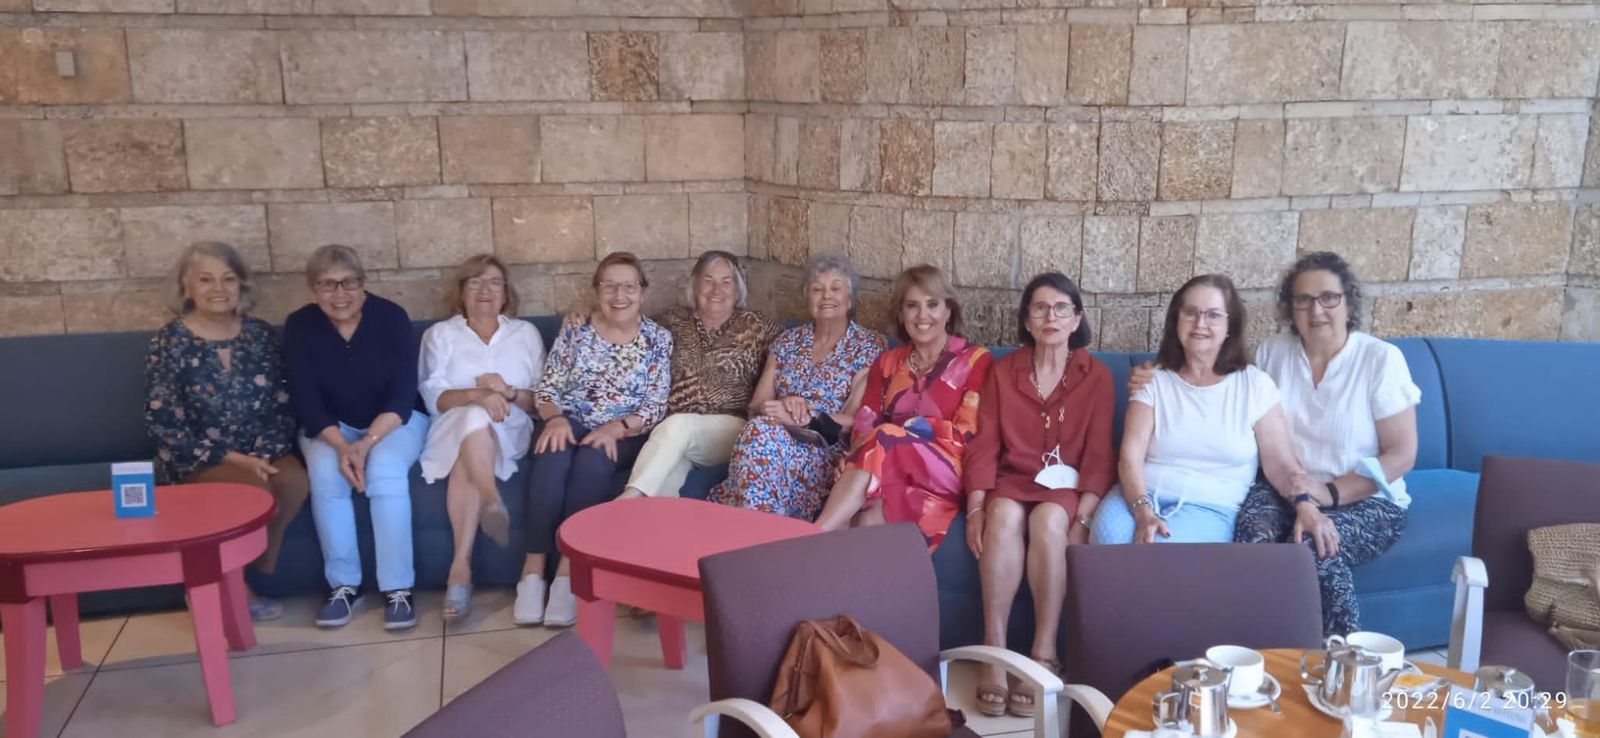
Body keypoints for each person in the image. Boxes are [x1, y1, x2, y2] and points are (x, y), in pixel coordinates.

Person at [1233, 252, 1419, 635]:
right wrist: (1157, 370)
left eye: (1328, 298)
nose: (1316, 310)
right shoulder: (1273, 354)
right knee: (1252, 542)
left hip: (1367, 500)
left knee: (1315, 550)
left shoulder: (1380, 360)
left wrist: (1328, 494)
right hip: (1286, 489)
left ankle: (1344, 666)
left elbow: (1401, 454)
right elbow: (1222, 381)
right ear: (1290, 308)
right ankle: (1257, 658)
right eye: (1303, 299)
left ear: (1348, 302)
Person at [961, 272, 1115, 718]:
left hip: (1064, 489)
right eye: (1040, 308)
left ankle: (1043, 651)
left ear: (1076, 319)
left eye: (1061, 308)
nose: (1051, 316)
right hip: (1012, 479)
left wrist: (1083, 518)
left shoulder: (1095, 375)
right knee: (1004, 514)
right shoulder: (1002, 371)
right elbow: (984, 443)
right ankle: (995, 650)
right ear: (1027, 320)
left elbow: (1100, 454)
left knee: (1049, 520)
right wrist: (975, 507)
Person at [144, 242, 310, 622]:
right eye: (205, 279)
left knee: (295, 482)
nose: (218, 288)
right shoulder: (169, 342)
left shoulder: (260, 335)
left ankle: (229, 571)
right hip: (199, 458)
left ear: (242, 286)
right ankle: (231, 587)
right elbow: (163, 420)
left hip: (264, 450)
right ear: (187, 287)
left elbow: (284, 402)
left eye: (228, 278)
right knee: (251, 492)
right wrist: (235, 460)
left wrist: (263, 455)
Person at [1090, 274, 1316, 548]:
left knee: (1160, 551)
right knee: (1108, 540)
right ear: (1177, 320)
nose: (1200, 324)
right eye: (1191, 313)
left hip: (1211, 507)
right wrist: (1142, 511)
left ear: (1229, 324)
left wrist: (1305, 504)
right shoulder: (1152, 379)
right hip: (1138, 496)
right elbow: (1130, 456)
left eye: (1213, 315)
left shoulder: (1254, 385)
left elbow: (1281, 463)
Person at [516, 252, 672, 627]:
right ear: (597, 291)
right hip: (568, 421)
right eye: (610, 286)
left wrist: (616, 427)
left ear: (643, 292)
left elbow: (655, 403)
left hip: (623, 431)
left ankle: (569, 573)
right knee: (553, 456)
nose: (620, 295)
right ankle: (533, 570)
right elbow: (548, 388)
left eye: (629, 287)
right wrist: (553, 419)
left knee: (592, 460)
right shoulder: (575, 329)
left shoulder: (657, 338)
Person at [284, 244, 430, 631]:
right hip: (330, 427)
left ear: (363, 285)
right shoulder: (300, 326)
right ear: (313, 291)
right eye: (327, 285)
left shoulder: (391, 318)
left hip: (394, 422)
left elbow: (402, 394)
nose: (340, 294)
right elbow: (306, 401)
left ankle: (398, 589)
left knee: (383, 470)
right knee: (326, 473)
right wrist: (342, 446)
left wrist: (366, 443)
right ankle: (345, 585)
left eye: (349, 283)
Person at [813, 265, 991, 551]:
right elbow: (864, 426)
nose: (923, 315)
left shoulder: (975, 360)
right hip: (886, 466)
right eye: (912, 306)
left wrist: (903, 430)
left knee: (884, 438)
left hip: (947, 469)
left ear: (949, 311)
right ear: (901, 313)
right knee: (870, 509)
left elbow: (965, 435)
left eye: (932, 304)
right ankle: (859, 590)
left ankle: (813, 538)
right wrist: (852, 459)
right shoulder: (887, 362)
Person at [707, 253, 886, 520]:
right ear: (807, 298)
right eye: (817, 289)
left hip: (822, 452)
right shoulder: (787, 341)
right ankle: (763, 532)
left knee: (759, 437)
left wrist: (807, 416)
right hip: (769, 439)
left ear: (850, 299)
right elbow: (756, 407)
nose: (826, 296)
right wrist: (784, 404)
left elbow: (855, 421)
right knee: (759, 430)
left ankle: (750, 528)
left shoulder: (867, 347)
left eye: (835, 289)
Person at [417, 254, 545, 621]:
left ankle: (460, 570)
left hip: (510, 429)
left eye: (493, 282)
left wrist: (506, 392)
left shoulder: (526, 334)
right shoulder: (440, 335)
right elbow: (434, 397)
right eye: (474, 282)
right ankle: (490, 498)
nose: (484, 290)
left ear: (506, 293)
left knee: (468, 454)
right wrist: (477, 396)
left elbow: (542, 401)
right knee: (472, 418)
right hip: (451, 424)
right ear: (461, 293)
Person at [615, 251, 780, 499]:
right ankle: (653, 533)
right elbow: (626, 328)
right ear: (695, 285)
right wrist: (587, 318)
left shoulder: (758, 325)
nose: (717, 289)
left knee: (678, 426)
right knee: (665, 487)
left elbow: (792, 355)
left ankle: (627, 499)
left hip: (731, 428)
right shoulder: (670, 321)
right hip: (677, 436)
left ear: (737, 289)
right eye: (708, 280)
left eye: (727, 282)